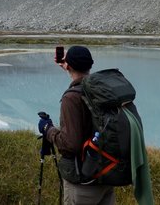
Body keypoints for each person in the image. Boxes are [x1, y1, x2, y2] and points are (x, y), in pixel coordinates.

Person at [39, 45, 115, 205]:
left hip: (82, 181)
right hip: (105, 174)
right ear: (90, 65)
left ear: (70, 65)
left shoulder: (71, 98)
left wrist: (48, 130)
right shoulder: (101, 89)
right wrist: (69, 67)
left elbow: (71, 144)